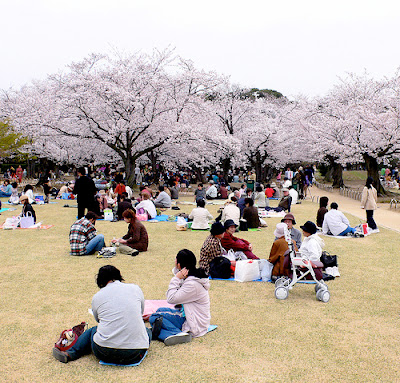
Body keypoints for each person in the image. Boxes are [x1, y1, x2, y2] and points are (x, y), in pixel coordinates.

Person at [52, 265, 151, 364]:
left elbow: (98, 319)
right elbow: (140, 313)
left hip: (104, 352)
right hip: (135, 353)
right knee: (145, 331)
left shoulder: (97, 297)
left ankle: (70, 353)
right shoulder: (135, 289)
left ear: (100, 280)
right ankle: (155, 331)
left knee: (92, 330)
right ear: (119, 276)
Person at [149, 249, 210, 346]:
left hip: (193, 322)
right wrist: (179, 273)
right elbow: (175, 273)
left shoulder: (192, 284)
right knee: (160, 310)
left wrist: (176, 278)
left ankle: (177, 333)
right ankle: (160, 331)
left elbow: (171, 299)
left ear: (179, 264)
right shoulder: (192, 277)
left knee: (154, 317)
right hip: (189, 315)